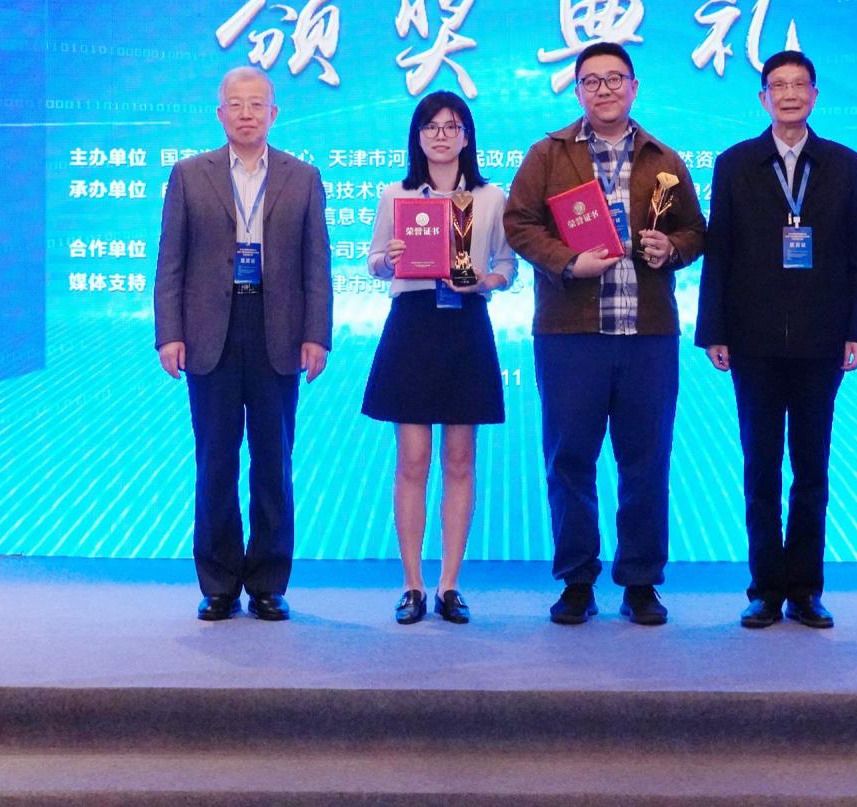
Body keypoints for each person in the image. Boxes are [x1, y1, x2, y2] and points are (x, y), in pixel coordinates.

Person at [503, 43, 706, 626]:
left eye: (615, 78)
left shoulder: (664, 159)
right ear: (577, 91)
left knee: (646, 461)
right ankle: (577, 580)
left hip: (647, 336)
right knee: (570, 459)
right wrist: (568, 262)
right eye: (591, 81)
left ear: (634, 87)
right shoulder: (547, 154)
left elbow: (696, 231)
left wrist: (671, 248)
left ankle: (641, 582)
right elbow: (519, 223)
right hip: (570, 335)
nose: (604, 89)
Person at [697, 49, 857, 631]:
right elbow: (719, 252)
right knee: (761, 467)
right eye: (779, 85)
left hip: (822, 340)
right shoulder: (735, 163)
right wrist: (714, 330)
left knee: (811, 469)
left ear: (815, 95)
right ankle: (765, 590)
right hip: (752, 340)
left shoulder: (846, 165)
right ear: (763, 98)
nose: (790, 94)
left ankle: (805, 590)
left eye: (800, 85)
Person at [154, 67, 331, 622]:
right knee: (215, 459)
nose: (247, 113)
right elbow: (170, 261)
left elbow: (317, 265)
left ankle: (269, 582)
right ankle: (219, 582)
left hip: (278, 330)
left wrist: (316, 335)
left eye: (257, 104)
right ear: (220, 113)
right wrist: (169, 333)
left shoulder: (303, 177)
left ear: (273, 114)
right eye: (236, 104)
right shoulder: (189, 175)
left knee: (274, 460)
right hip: (210, 332)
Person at [363, 92, 516, 626]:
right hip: (412, 323)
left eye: (452, 126)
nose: (442, 136)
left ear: (467, 135)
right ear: (418, 136)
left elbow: (507, 264)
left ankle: (450, 584)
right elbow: (374, 261)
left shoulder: (491, 197)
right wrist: (389, 261)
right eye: (431, 126)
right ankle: (412, 584)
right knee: (412, 460)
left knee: (459, 460)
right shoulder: (396, 194)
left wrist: (485, 282)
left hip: (466, 323)